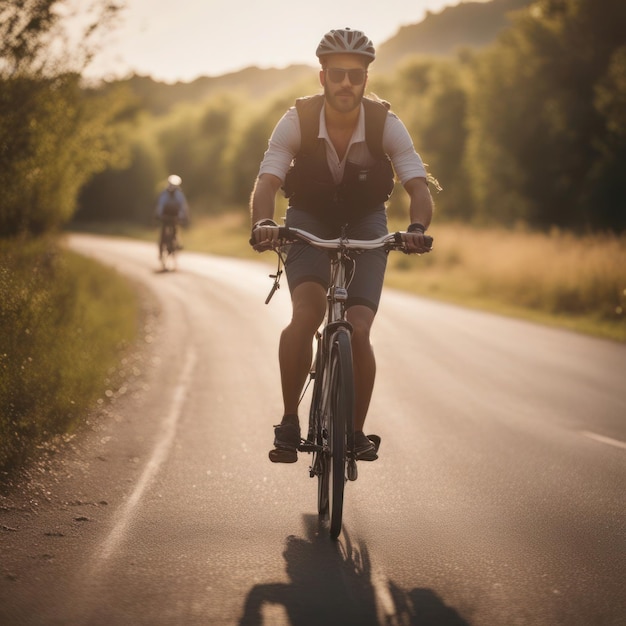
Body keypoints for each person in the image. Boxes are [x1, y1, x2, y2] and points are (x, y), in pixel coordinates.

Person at [249, 28, 434, 463]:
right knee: (307, 313)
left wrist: (417, 226)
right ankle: (290, 421)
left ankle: (354, 433)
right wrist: (263, 221)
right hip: (308, 220)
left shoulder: (385, 122)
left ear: (366, 79)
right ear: (322, 77)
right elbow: (268, 181)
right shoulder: (297, 119)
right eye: (337, 74)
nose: (346, 83)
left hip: (367, 220)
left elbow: (418, 185)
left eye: (355, 74)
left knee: (360, 328)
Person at [155, 174, 189, 260]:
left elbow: (182, 206)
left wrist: (181, 216)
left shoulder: (179, 194)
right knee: (163, 233)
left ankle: (177, 243)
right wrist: (160, 215)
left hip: (175, 216)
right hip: (165, 216)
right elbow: (161, 206)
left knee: (175, 230)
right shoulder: (164, 194)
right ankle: (161, 250)